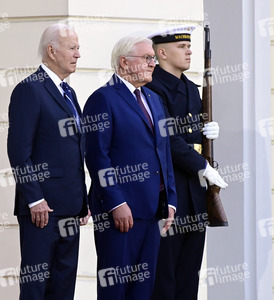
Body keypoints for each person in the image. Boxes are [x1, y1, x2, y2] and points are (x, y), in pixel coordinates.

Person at [83, 36, 177, 300]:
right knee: (116, 290)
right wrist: (115, 203)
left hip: (152, 211)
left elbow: (164, 152)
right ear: (124, 62)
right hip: (119, 214)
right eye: (147, 58)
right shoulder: (102, 99)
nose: (153, 64)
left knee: (142, 291)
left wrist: (170, 199)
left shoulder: (154, 99)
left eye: (153, 59)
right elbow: (97, 157)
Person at [145, 25, 228, 300]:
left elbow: (191, 135)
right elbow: (168, 139)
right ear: (162, 53)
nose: (189, 50)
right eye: (181, 47)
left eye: (189, 46)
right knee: (165, 276)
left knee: (189, 275)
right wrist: (202, 166)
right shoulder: (154, 89)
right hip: (169, 193)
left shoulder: (191, 89)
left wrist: (207, 135)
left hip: (194, 193)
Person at [7, 23, 89, 300]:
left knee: (63, 287)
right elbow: (19, 151)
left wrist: (84, 203)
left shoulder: (70, 93)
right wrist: (34, 199)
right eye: (73, 48)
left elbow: (74, 152)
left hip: (71, 208)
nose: (78, 54)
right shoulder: (30, 90)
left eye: (78, 48)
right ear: (52, 51)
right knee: (36, 288)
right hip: (41, 211)